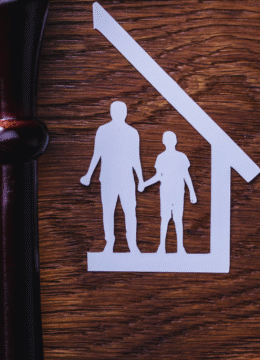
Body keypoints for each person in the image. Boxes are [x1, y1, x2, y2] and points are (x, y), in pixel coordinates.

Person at [81, 101, 144, 253]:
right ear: (111, 113)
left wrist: (141, 179)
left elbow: (135, 158)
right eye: (117, 111)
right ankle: (109, 243)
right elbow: (97, 153)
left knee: (130, 211)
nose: (120, 114)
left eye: (122, 111)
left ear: (126, 113)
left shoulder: (132, 133)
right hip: (108, 178)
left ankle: (132, 245)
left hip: (126, 178)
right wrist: (89, 174)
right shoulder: (103, 130)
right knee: (108, 211)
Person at [140, 131, 197, 254]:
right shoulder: (160, 157)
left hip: (178, 192)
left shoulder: (182, 157)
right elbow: (158, 176)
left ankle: (180, 248)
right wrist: (144, 184)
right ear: (163, 142)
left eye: (171, 139)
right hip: (165, 192)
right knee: (165, 218)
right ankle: (162, 247)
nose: (169, 142)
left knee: (178, 219)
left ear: (175, 141)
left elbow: (186, 175)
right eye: (167, 139)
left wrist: (192, 192)